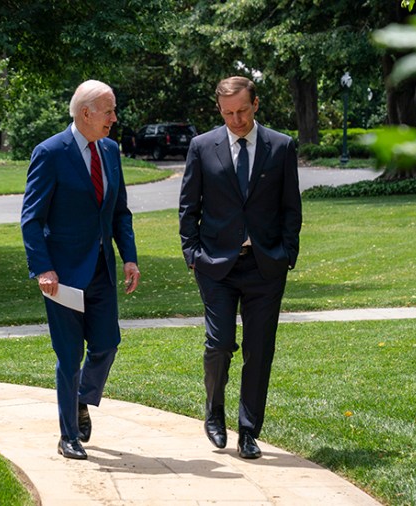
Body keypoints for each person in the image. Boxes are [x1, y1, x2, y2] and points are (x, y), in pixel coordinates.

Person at [178, 76, 301, 459]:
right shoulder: (202, 146)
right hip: (216, 266)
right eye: (229, 113)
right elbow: (188, 207)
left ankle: (249, 431)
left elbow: (290, 208)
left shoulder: (280, 146)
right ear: (220, 110)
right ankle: (214, 413)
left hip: (266, 266)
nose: (236, 120)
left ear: (256, 104)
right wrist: (192, 256)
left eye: (243, 111)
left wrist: (286, 256)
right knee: (219, 344)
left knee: (259, 350)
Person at [21, 79, 140, 460]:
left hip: (102, 269)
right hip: (63, 277)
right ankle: (68, 436)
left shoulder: (110, 150)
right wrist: (43, 268)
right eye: (109, 111)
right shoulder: (50, 153)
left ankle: (81, 398)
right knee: (69, 355)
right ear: (86, 113)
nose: (114, 119)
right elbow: (31, 219)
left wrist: (130, 257)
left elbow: (119, 211)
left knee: (107, 344)